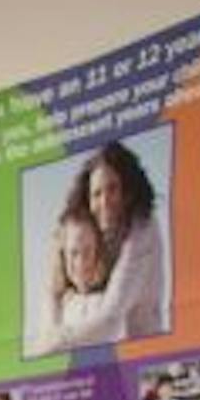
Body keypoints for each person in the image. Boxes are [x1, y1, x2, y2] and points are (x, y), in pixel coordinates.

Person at [39, 140, 166, 351]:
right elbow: (53, 289)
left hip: (141, 348)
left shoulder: (143, 229)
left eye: (112, 189)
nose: (105, 201)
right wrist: (51, 332)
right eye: (96, 194)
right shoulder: (91, 228)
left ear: (128, 192)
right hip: (98, 348)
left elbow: (110, 318)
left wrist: (53, 345)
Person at [29, 208, 111, 357]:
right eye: (73, 253)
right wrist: (53, 296)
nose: (80, 263)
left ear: (98, 251)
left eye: (88, 251)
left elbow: (51, 348)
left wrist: (52, 298)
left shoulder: (107, 302)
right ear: (63, 256)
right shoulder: (59, 302)